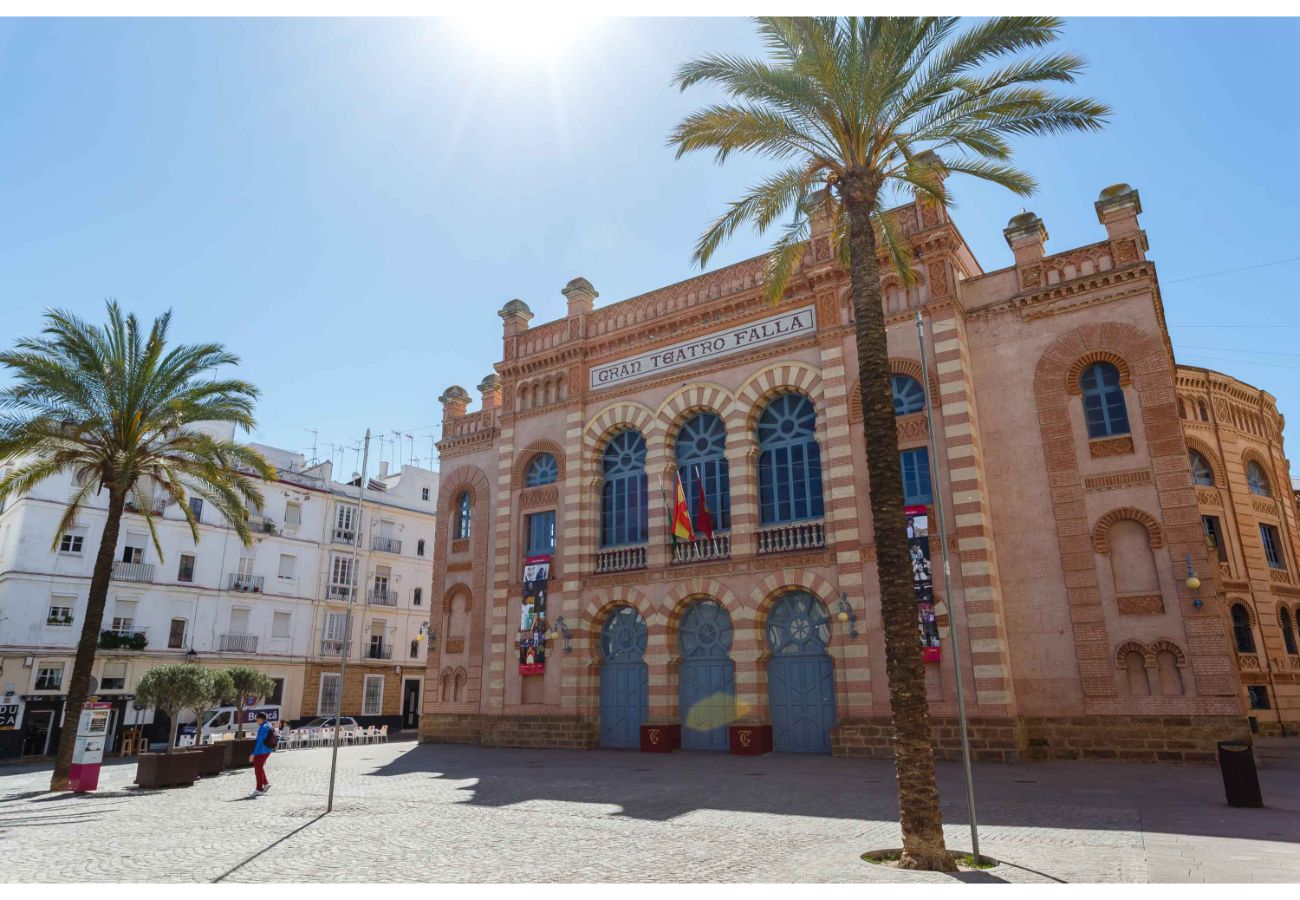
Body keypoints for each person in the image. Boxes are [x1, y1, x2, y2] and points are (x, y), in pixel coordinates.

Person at [248, 712, 275, 797]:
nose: (256, 721)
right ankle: (266, 783)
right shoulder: (269, 725)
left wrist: (253, 754)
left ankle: (259, 789)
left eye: (257, 719)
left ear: (260, 719)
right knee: (260, 768)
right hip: (268, 750)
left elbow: (259, 741)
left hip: (261, 751)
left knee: (257, 770)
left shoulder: (262, 728)